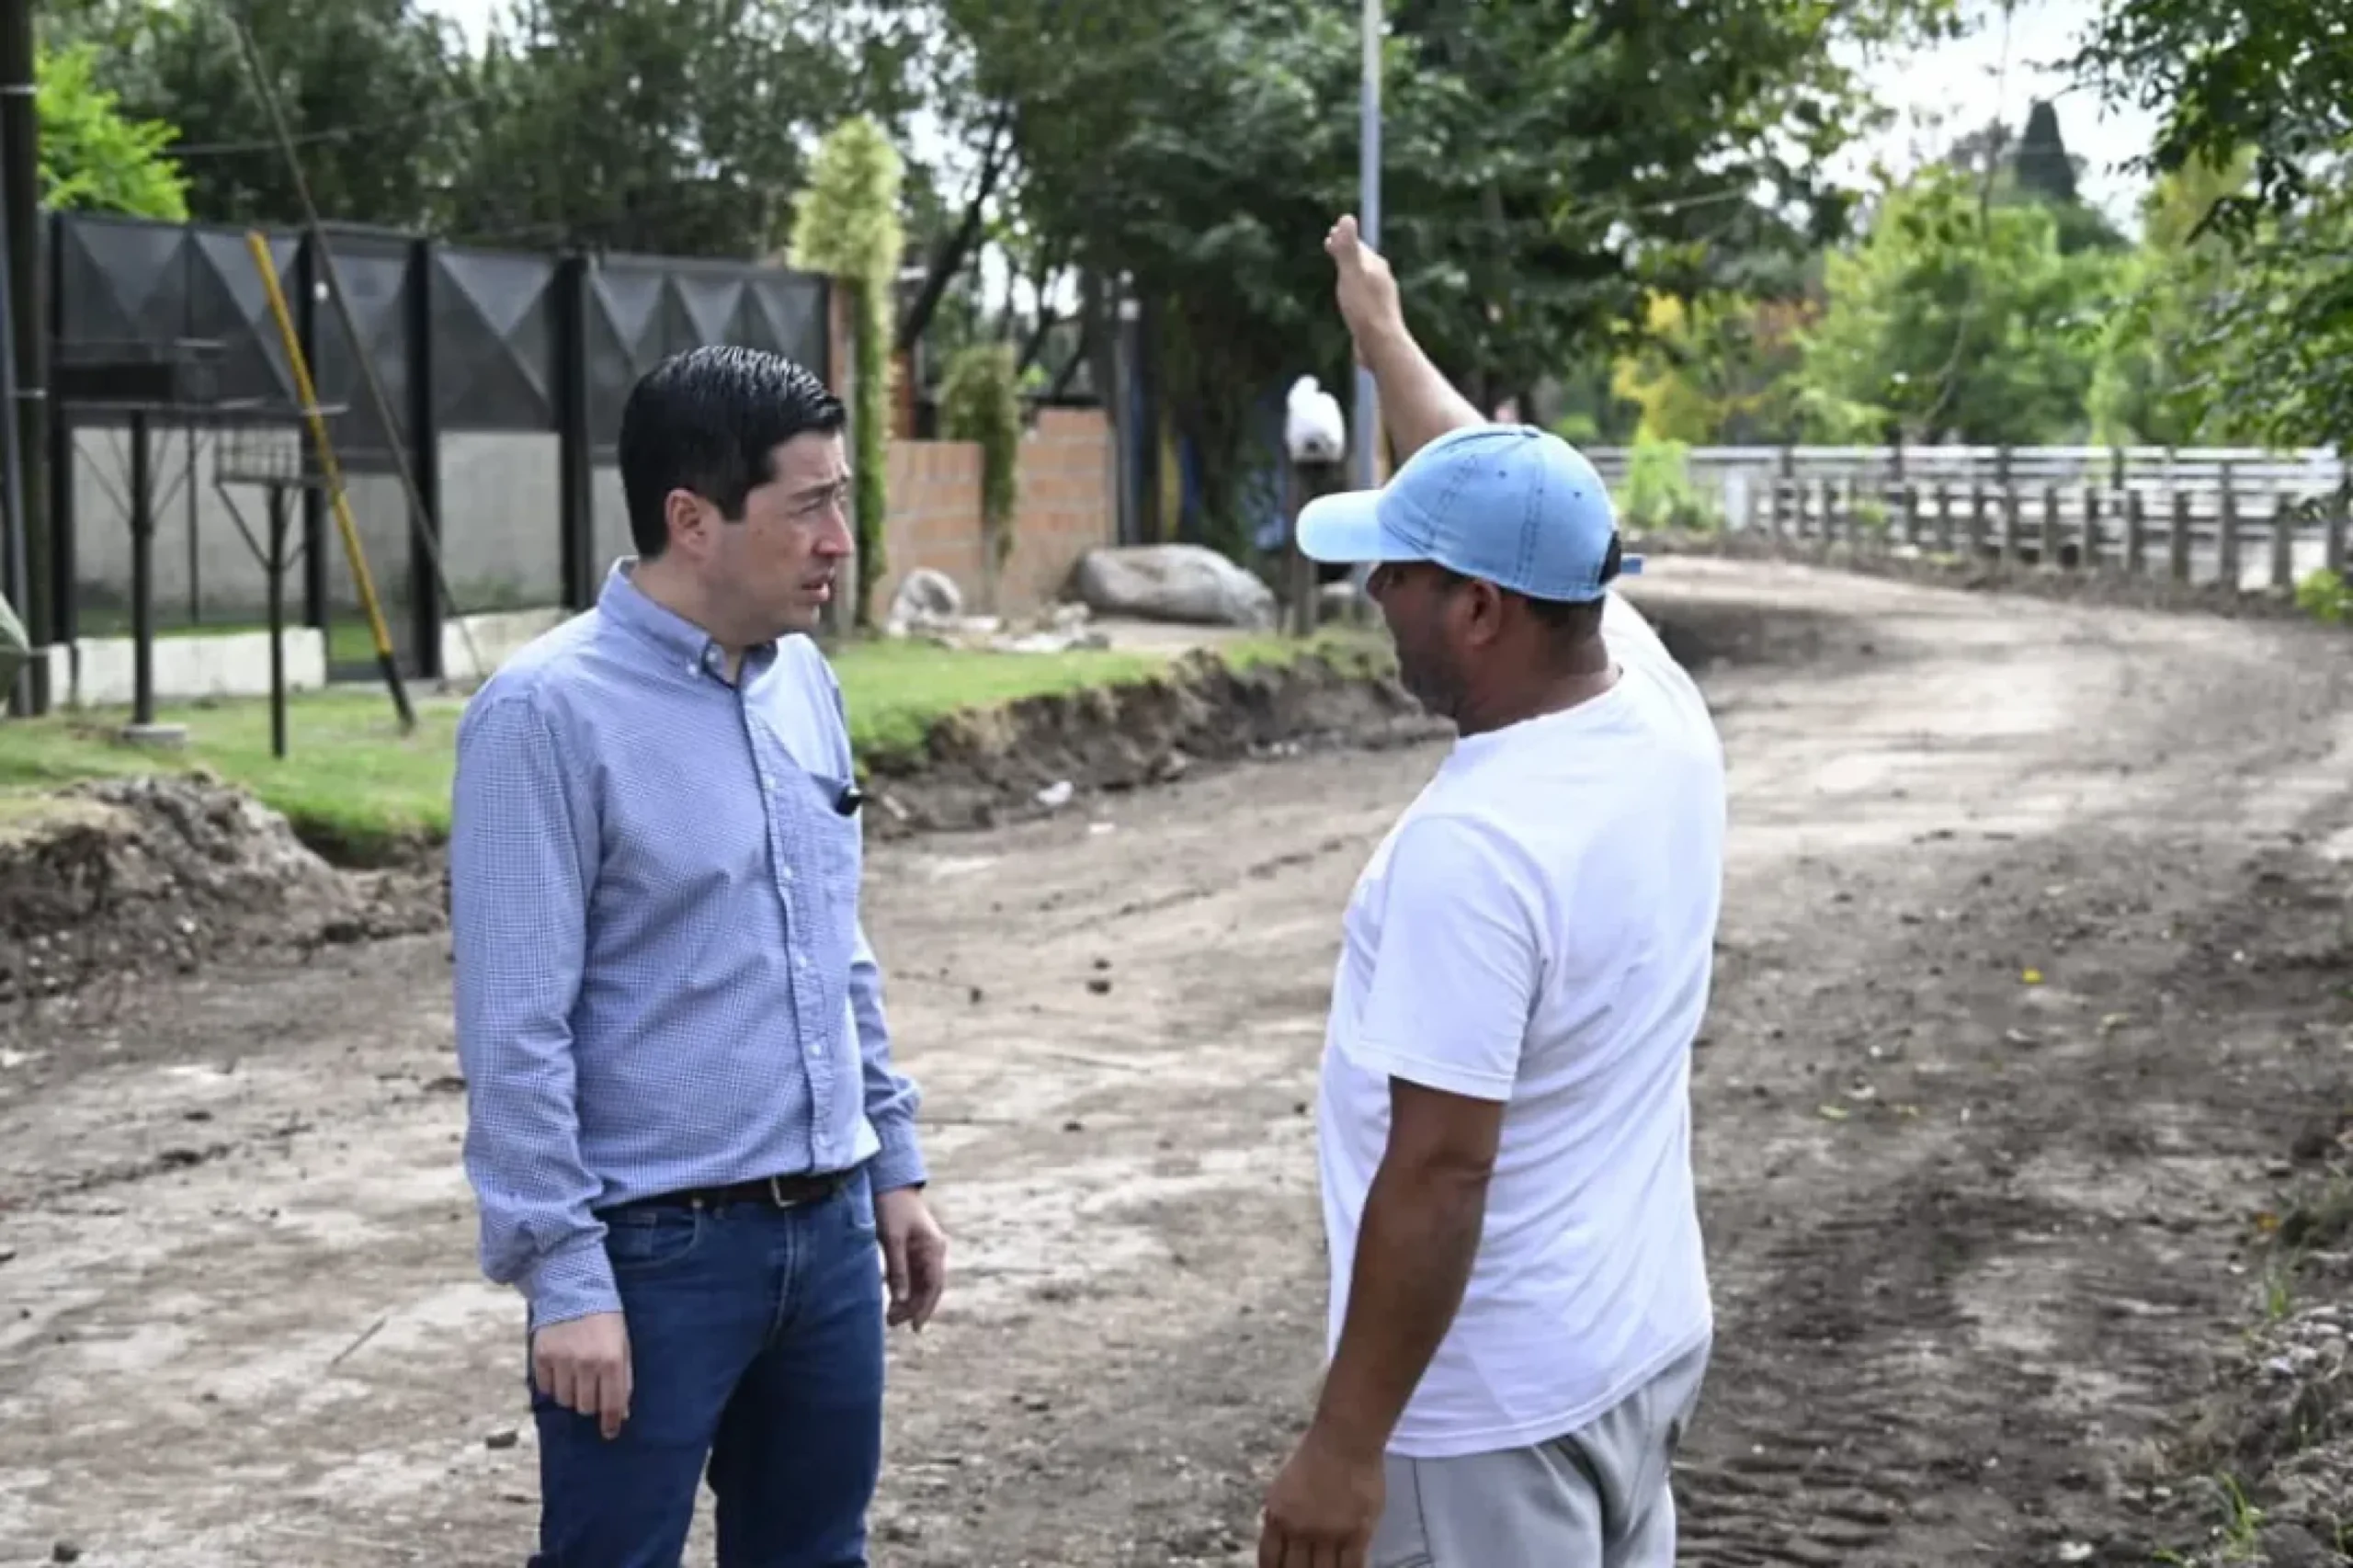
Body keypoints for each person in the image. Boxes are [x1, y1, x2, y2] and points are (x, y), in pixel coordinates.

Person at [1256, 216, 1724, 1568]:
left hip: (1486, 1420)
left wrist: (1345, 1445)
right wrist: (1384, 341)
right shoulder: (1646, 692)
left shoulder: (1479, 846)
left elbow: (1442, 1165)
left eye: (1394, 573)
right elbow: (1514, 490)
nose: (1374, 593)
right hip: (1628, 1351)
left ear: (1477, 613)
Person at [448, 344, 948, 1568]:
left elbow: (840, 946)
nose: (842, 540)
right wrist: (566, 1274)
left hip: (827, 1234)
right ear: (693, 519)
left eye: (846, 502)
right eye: (810, 506)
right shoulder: (543, 715)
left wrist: (894, 1163)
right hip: (653, 1260)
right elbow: (514, 1027)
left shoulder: (805, 685)